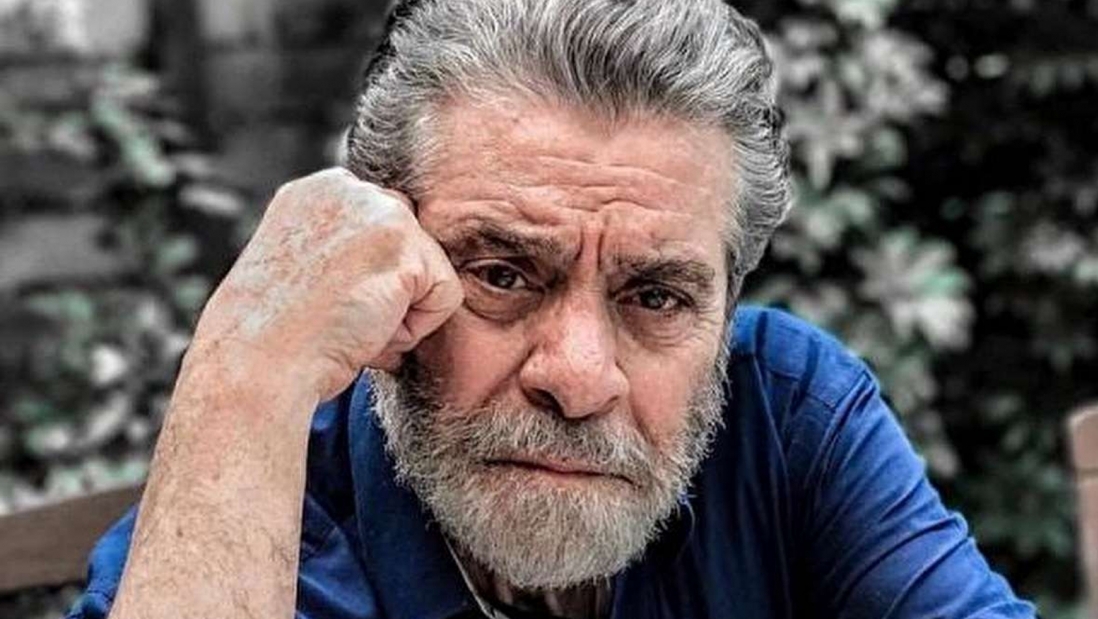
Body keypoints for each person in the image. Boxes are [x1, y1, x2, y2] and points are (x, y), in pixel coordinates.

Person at [67, 1, 1037, 618]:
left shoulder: (788, 410)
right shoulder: (258, 522)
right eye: (501, 273)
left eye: (655, 295)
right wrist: (246, 367)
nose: (577, 377)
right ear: (388, 274)